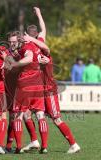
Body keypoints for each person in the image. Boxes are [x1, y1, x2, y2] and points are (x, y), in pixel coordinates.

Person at [23, 7, 80, 154]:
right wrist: (40, 14)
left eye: (26, 38)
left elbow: (46, 47)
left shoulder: (43, 54)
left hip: (49, 90)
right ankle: (37, 142)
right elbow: (43, 30)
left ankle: (73, 144)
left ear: (29, 37)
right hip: (38, 90)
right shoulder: (36, 45)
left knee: (56, 119)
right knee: (29, 113)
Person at [6, 29, 49, 154]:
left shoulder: (25, 48)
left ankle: (18, 146)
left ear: (20, 40)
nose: (11, 44)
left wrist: (15, 64)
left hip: (25, 84)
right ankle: (44, 146)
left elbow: (29, 58)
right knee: (40, 114)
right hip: (37, 83)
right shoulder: (32, 46)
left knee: (17, 115)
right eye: (10, 42)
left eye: (13, 41)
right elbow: (38, 54)